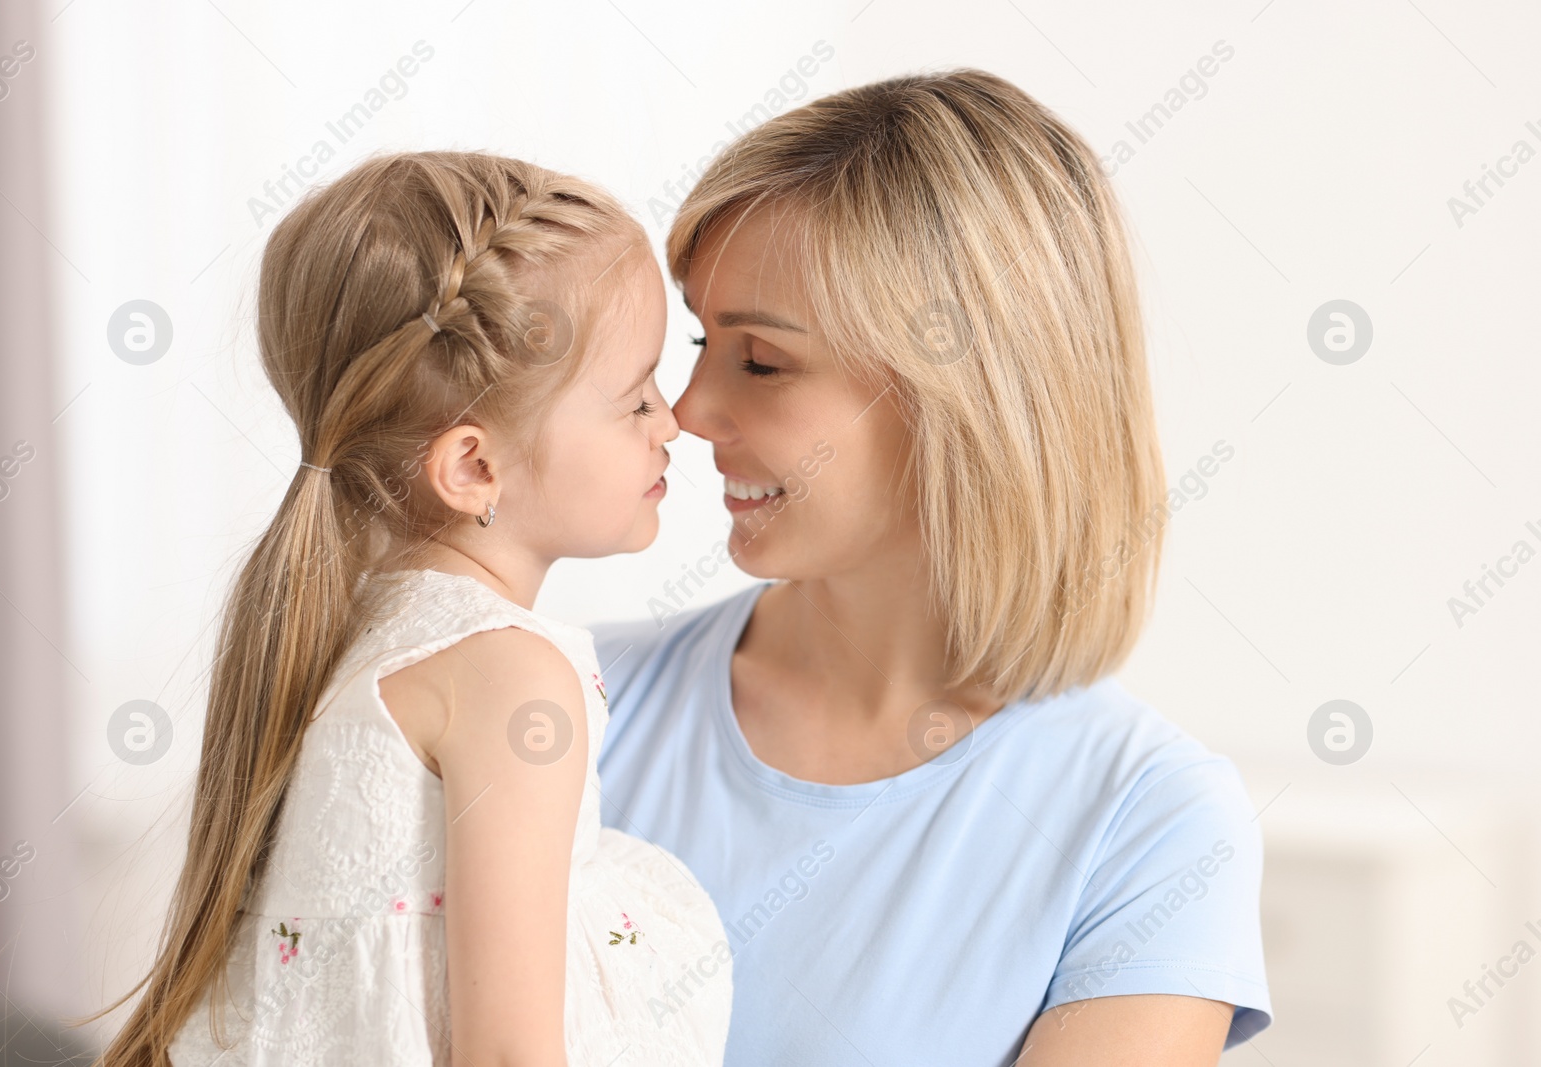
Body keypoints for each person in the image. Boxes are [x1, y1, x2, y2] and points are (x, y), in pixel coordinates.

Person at [591, 69, 1272, 1065]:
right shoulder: (567, 701)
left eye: (761, 361)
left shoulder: (1149, 822)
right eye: (701, 340)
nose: (687, 412)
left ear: (964, 394)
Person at [94, 151, 731, 1066]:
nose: (672, 421)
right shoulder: (513, 679)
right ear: (474, 467)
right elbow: (508, 1052)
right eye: (635, 398)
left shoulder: (361, 628)